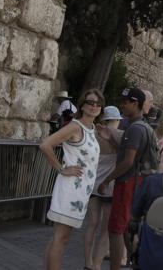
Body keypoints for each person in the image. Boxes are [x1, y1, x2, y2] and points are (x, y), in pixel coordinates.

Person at [40, 89, 104, 270]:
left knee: (58, 238)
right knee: (62, 238)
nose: (94, 106)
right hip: (70, 190)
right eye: (90, 102)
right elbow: (46, 145)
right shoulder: (75, 126)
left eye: (98, 104)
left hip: (80, 194)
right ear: (82, 104)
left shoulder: (91, 129)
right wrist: (62, 168)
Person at [97, 87, 152, 270]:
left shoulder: (135, 128)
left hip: (127, 182)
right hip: (135, 182)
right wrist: (110, 138)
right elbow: (128, 154)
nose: (123, 106)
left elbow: (127, 162)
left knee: (116, 230)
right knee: (127, 228)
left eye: (126, 102)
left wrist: (107, 180)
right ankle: (137, 263)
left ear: (135, 104)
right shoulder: (141, 126)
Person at [84, 106, 122, 270]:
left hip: (92, 185)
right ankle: (97, 265)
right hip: (108, 186)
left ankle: (88, 263)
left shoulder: (94, 134)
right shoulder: (115, 136)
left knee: (92, 224)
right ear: (116, 120)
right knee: (106, 230)